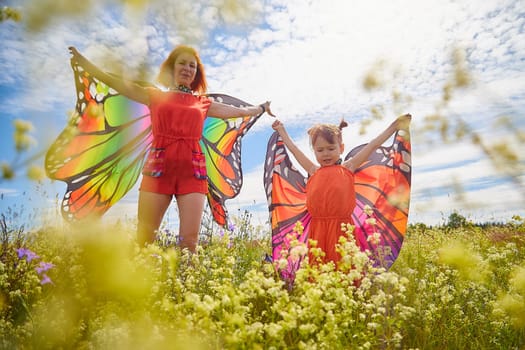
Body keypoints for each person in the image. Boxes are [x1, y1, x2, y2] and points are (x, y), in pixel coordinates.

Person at [68, 46, 274, 252]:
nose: (187, 69)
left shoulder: (203, 103)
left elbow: (239, 112)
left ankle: (183, 283)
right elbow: (119, 84)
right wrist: (85, 64)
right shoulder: (154, 96)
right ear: (172, 69)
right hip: (158, 171)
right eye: (182, 63)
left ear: (196, 73)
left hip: (193, 174)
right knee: (145, 238)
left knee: (189, 242)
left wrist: (261, 108)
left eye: (192, 66)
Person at [271, 114, 411, 264]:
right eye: (320, 150)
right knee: (319, 267)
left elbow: (373, 145)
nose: (325, 153)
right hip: (317, 230)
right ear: (314, 152)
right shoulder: (313, 170)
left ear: (341, 148)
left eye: (331, 148)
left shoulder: (348, 167)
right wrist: (281, 130)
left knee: (344, 267)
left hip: (343, 229)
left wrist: (395, 125)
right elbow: (294, 149)